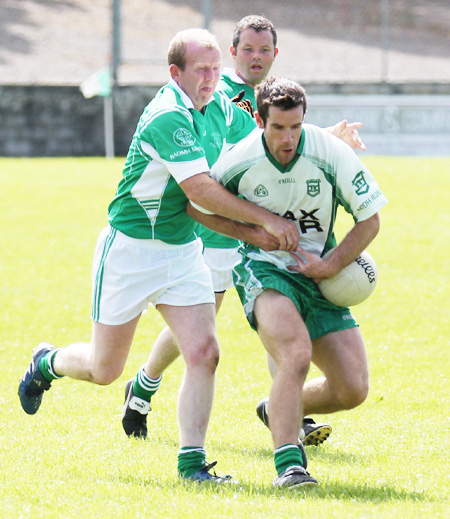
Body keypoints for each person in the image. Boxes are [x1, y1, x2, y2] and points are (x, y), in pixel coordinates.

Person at [18, 29, 301, 484]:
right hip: (129, 252)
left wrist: (324, 139)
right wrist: (264, 223)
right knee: (104, 369)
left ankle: (192, 465)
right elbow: (201, 191)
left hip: (183, 251)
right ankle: (46, 362)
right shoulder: (168, 116)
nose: (212, 78)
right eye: (201, 70)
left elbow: (265, 141)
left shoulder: (220, 110)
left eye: (214, 69)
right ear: (176, 72)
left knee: (205, 352)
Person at [121, 15, 365, 447]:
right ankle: (145, 381)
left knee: (284, 322)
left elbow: (285, 143)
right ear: (232, 54)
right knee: (202, 323)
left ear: (275, 54)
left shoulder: (273, 100)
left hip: (260, 233)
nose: (256, 56)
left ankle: (292, 413)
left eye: (264, 49)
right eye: (247, 49)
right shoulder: (216, 94)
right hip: (216, 231)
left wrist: (330, 137)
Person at [187, 76, 388, 488]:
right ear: (260, 121)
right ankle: (289, 467)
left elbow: (370, 219)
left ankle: (275, 407)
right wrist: (255, 232)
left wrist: (331, 264)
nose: (288, 137)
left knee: (353, 389)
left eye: (295, 127)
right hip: (264, 268)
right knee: (295, 353)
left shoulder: (330, 153)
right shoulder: (239, 158)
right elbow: (197, 205)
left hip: (318, 271)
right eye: (278, 128)